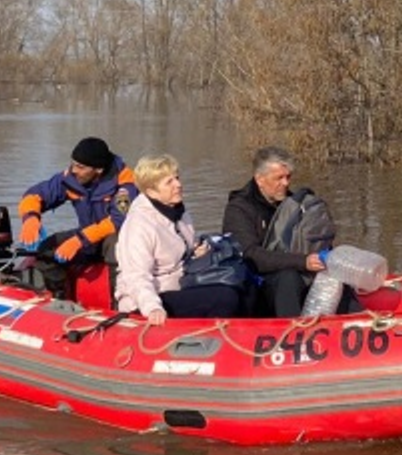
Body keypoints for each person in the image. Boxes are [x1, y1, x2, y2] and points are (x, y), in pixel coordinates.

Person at [115, 154, 246, 323]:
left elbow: (180, 246)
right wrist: (152, 307)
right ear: (151, 191)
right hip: (149, 299)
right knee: (225, 296)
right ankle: (215, 339)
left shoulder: (178, 211)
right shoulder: (138, 226)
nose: (178, 184)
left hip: (181, 282)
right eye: (169, 182)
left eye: (177, 178)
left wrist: (197, 249)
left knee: (242, 282)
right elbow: (135, 277)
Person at [16, 136, 138, 297]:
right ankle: (59, 296)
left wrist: (79, 240)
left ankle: (121, 303)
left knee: (115, 244)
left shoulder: (125, 183)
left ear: (98, 170)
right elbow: (35, 194)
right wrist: (31, 217)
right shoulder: (71, 179)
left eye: (80, 167)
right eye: (73, 164)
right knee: (46, 250)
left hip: (118, 238)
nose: (74, 170)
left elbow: (118, 221)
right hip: (87, 238)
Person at [222, 146, 331, 317]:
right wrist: (303, 262)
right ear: (260, 179)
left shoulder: (293, 205)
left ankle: (363, 321)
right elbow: (251, 255)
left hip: (298, 270)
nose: (286, 183)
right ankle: (291, 334)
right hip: (259, 285)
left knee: (333, 276)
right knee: (288, 277)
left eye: (288, 177)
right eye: (279, 178)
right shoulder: (239, 209)